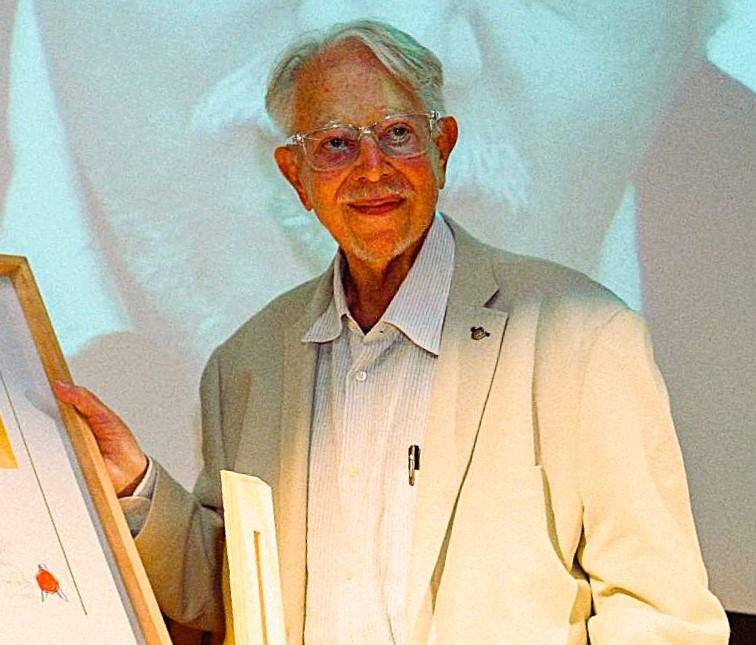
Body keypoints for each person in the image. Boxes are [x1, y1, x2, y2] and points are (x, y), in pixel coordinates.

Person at [54, 20, 729, 644]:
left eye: (398, 133)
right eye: (336, 145)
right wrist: (136, 486)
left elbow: (661, 613)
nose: (372, 168)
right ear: (296, 175)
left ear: (442, 147)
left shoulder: (584, 337)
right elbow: (227, 593)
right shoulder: (245, 364)